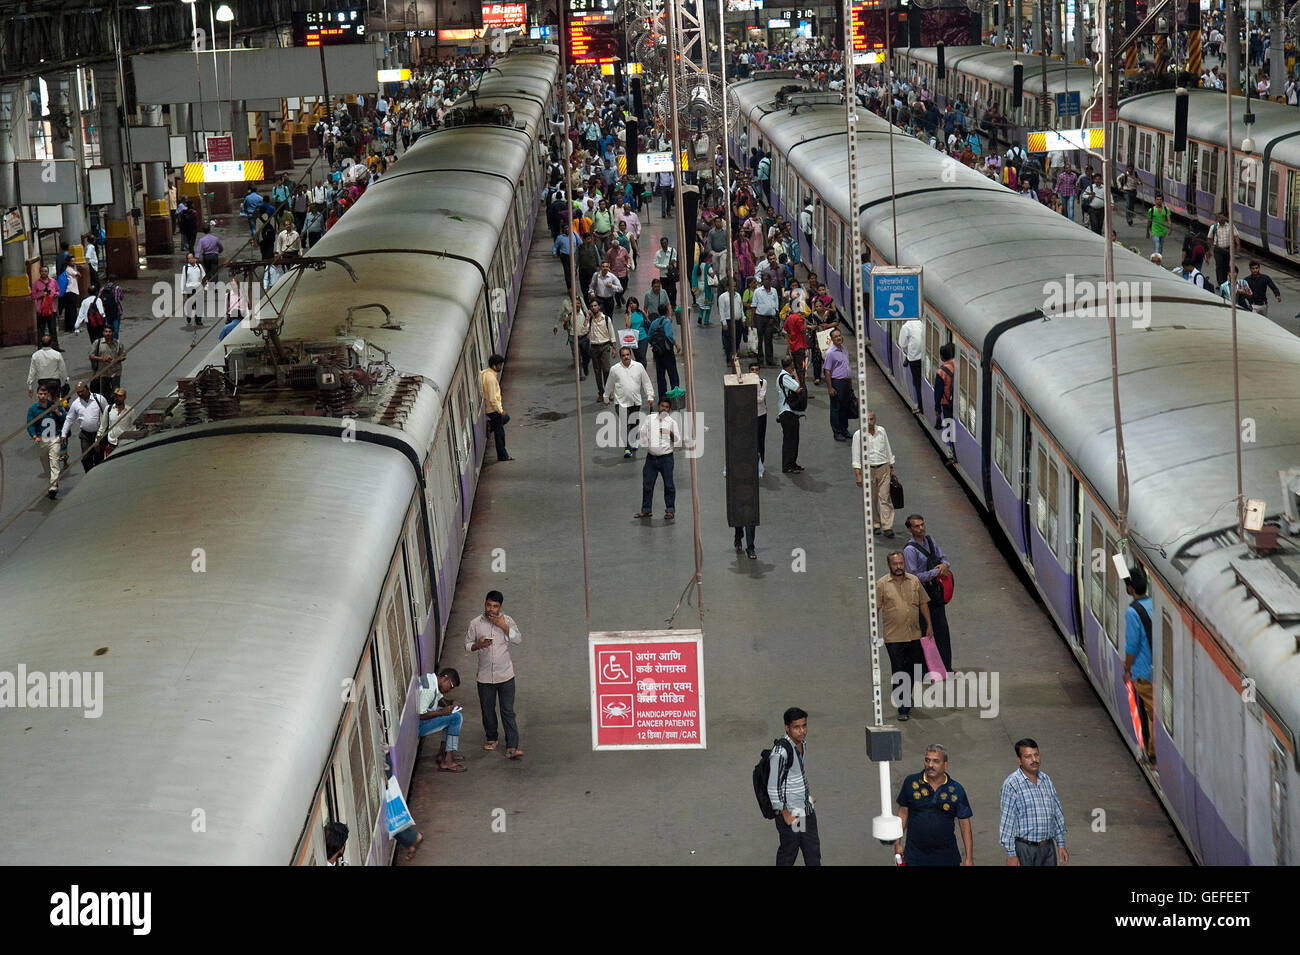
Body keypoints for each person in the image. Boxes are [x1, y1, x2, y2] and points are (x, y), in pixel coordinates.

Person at [893, 744, 975, 866]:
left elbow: (965, 825)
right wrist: (897, 842)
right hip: (914, 857)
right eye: (927, 760)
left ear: (945, 765)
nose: (930, 765)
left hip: (947, 859)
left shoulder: (957, 790)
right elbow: (903, 813)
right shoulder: (911, 782)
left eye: (936, 761)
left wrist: (969, 858)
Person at [466, 590, 524, 760]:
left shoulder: (508, 621)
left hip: (506, 676)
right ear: (485, 604)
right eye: (489, 605)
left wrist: (503, 626)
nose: (491, 609)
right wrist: (478, 645)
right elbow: (467, 645)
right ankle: (491, 738)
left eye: (495, 606)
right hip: (484, 677)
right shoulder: (475, 624)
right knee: (487, 710)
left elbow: (518, 639)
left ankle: (512, 746)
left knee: (507, 711)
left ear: (500, 607)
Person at [878, 551, 933, 721]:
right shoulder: (882, 584)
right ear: (889, 565)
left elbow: (923, 603)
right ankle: (902, 706)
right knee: (899, 670)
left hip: (914, 634)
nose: (899, 567)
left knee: (913, 669)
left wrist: (929, 625)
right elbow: (875, 609)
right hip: (894, 637)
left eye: (901, 563)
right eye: (895, 564)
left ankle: (906, 696)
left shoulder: (914, 581)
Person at [999, 739, 1068, 866]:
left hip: (1048, 848)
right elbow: (1007, 821)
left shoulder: (1046, 780)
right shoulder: (1012, 784)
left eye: (1036, 754)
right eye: (1028, 756)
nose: (1034, 759)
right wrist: (1011, 854)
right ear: (1019, 760)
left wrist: (1061, 844)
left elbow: (1056, 813)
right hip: (1025, 849)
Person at [767, 706, 820, 866]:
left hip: (804, 809)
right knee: (789, 852)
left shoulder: (802, 744)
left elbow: (795, 776)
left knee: (812, 853)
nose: (802, 731)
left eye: (804, 726)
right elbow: (773, 787)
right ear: (787, 728)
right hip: (792, 812)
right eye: (796, 727)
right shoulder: (780, 752)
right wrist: (785, 814)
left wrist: (806, 797)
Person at [902, 514, 954, 670]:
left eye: (922, 524)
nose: (921, 528)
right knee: (926, 632)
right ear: (910, 529)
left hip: (936, 593)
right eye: (916, 526)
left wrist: (944, 565)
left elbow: (943, 558)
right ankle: (929, 670)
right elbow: (914, 576)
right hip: (922, 595)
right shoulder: (910, 550)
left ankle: (945, 667)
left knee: (942, 630)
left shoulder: (930, 541)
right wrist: (935, 572)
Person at [1123, 564, 1156, 764]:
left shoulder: (1132, 612)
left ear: (1130, 589)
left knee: (1152, 716)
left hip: (1143, 672)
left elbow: (1132, 646)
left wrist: (1127, 669)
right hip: (1158, 670)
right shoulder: (1153, 604)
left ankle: (1152, 756)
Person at [635, 397, 683, 520]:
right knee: (647, 484)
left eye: (667, 407)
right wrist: (648, 447)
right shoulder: (649, 419)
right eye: (662, 406)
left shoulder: (672, 423)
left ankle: (670, 510)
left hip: (666, 459)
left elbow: (678, 442)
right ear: (658, 406)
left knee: (669, 485)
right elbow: (642, 433)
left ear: (669, 409)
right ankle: (646, 510)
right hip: (651, 458)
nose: (664, 409)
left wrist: (670, 433)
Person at [603, 345, 655, 458]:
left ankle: (634, 440)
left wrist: (650, 396)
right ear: (620, 357)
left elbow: (646, 382)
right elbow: (609, 384)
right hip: (620, 403)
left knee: (634, 424)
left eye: (627, 355)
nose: (626, 357)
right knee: (625, 425)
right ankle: (627, 448)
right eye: (623, 355)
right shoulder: (615, 369)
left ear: (630, 355)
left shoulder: (639, 367)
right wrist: (606, 397)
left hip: (635, 402)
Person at [852, 411, 897, 537]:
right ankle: (875, 524)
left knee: (885, 497)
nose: (869, 422)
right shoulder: (858, 435)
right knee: (871, 499)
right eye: (866, 420)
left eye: (871, 419)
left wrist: (892, 468)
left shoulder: (882, 431)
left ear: (875, 419)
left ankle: (887, 526)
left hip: (884, 468)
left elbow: (888, 449)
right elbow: (856, 456)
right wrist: (858, 475)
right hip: (868, 470)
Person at [418, 668, 466, 772]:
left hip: (422, 720)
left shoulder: (431, 679)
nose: (450, 690)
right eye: (451, 686)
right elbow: (419, 716)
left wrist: (451, 702)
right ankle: (447, 761)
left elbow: (439, 699)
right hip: (419, 726)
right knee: (456, 718)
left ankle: (442, 753)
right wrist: (442, 712)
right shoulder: (429, 690)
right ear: (445, 679)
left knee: (452, 715)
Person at [27, 384, 66, 500]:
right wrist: (34, 436)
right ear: (37, 394)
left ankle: (53, 486)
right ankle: (52, 481)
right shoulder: (33, 409)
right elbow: (30, 425)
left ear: (48, 394)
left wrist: (58, 413)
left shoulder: (55, 406)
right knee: (45, 464)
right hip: (41, 440)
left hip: (54, 438)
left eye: (45, 394)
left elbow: (65, 419)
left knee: (54, 462)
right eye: (40, 394)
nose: (43, 396)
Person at [62, 381, 107, 474]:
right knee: (86, 458)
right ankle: (89, 475)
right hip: (85, 435)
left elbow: (107, 413)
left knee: (99, 458)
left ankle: (99, 475)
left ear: (87, 388)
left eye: (82, 391)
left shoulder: (99, 399)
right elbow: (69, 419)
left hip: (99, 435)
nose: (80, 394)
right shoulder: (76, 404)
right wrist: (63, 434)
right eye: (78, 392)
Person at [822, 328, 854, 441]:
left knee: (845, 407)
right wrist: (830, 388)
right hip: (837, 382)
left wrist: (850, 384)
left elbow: (847, 367)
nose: (838, 338)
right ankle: (837, 432)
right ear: (832, 339)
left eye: (839, 335)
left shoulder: (844, 349)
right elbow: (827, 371)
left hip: (846, 382)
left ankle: (844, 430)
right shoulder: (830, 353)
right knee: (836, 408)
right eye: (835, 337)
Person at [480, 353, 511, 462]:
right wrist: (500, 411)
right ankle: (502, 455)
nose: (501, 367)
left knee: (506, 420)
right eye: (500, 365)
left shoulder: (485, 373)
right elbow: (493, 398)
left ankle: (491, 426)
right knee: (500, 434)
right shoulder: (491, 380)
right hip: (493, 410)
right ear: (494, 366)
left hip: (490, 408)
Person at [647, 304, 683, 400]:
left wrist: (656, 346)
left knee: (660, 376)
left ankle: (662, 397)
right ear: (667, 311)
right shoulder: (666, 321)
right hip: (667, 352)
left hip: (658, 353)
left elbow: (649, 337)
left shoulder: (654, 322)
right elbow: (669, 336)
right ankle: (675, 395)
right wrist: (675, 345)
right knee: (673, 374)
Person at [88, 326, 125, 399]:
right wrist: (103, 359)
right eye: (106, 331)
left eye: (110, 332)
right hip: (102, 373)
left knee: (116, 393)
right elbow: (91, 356)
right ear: (103, 333)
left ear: (113, 333)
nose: (108, 333)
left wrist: (116, 360)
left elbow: (123, 356)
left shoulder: (118, 343)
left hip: (115, 372)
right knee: (103, 394)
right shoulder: (97, 343)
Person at [95, 387, 133, 457]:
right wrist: (97, 441)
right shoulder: (108, 409)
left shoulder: (130, 410)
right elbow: (103, 427)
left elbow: (133, 428)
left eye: (119, 396)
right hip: (112, 444)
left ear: (124, 397)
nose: (117, 398)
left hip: (125, 444)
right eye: (115, 396)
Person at [27, 335, 68, 399]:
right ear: (51, 343)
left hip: (42, 383)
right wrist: (65, 381)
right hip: (54, 382)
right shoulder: (57, 354)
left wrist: (30, 387)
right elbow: (62, 369)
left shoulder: (35, 355)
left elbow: (32, 371)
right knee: (55, 402)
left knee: (44, 402)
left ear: (41, 343)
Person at [897, 317, 924, 412]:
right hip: (924, 358)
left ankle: (921, 406)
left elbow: (902, 343)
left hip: (914, 359)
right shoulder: (921, 323)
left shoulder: (906, 327)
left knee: (917, 383)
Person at [31, 265, 61, 348]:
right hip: (41, 309)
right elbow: (33, 295)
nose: (44, 273)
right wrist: (41, 294)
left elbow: (58, 290)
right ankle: (41, 347)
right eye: (42, 271)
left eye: (45, 271)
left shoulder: (53, 281)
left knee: (53, 329)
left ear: (48, 272)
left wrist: (56, 294)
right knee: (41, 329)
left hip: (52, 308)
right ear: (40, 272)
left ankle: (55, 346)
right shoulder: (36, 284)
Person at [1206, 213, 1240, 287]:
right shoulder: (1214, 227)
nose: (1221, 219)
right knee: (1219, 265)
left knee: (1226, 266)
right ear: (1217, 219)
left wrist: (1238, 245)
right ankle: (1220, 283)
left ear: (1225, 218)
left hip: (1227, 249)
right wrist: (1208, 250)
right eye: (1219, 217)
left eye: (1222, 217)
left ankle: (1224, 282)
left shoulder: (1230, 226)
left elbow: (1236, 235)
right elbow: (1209, 238)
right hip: (1218, 249)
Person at [749, 361, 769, 476]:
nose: (755, 372)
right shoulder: (746, 383)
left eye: (757, 370)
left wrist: (750, 396)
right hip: (750, 415)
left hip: (761, 414)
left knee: (760, 439)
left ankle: (761, 462)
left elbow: (761, 399)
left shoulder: (763, 382)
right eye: (752, 370)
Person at [934, 342, 955, 437]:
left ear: (942, 357)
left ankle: (951, 445)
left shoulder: (941, 372)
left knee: (949, 428)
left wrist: (937, 410)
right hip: (956, 401)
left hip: (947, 403)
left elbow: (938, 394)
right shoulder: (957, 366)